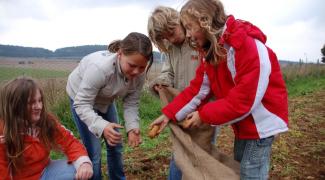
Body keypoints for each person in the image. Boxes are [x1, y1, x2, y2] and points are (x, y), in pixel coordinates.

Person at [151, 0, 289, 179]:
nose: (190, 35)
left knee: (250, 172)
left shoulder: (246, 46)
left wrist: (203, 115)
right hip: (244, 123)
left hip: (261, 123)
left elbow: (244, 100)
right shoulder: (211, 52)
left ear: (205, 21)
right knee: (241, 167)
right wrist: (169, 114)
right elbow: (197, 89)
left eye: (191, 27)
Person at [66, 32, 153, 180]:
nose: (136, 71)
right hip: (81, 100)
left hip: (105, 100)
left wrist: (132, 127)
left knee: (116, 144)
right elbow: (82, 104)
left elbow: (131, 101)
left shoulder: (139, 74)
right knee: (94, 152)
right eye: (132, 65)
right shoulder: (100, 69)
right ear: (120, 54)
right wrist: (102, 126)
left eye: (141, 67)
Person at [147, 6, 220, 180]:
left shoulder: (198, 42)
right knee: (180, 152)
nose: (170, 39)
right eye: (165, 38)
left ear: (179, 21)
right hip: (182, 107)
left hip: (205, 108)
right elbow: (169, 73)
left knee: (203, 151)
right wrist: (161, 83)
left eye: (171, 32)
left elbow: (212, 77)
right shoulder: (171, 50)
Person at [0, 77, 93, 180]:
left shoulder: (46, 121)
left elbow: (69, 141)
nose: (39, 106)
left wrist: (84, 163)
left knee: (80, 170)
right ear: (16, 105)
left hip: (45, 172)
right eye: (31, 103)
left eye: (40, 100)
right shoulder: (4, 130)